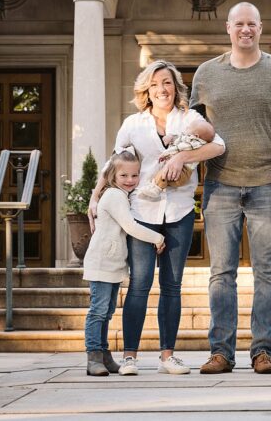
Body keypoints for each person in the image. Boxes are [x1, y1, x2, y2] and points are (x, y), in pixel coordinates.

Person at [190, 2, 271, 375]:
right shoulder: (206, 73)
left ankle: (263, 351)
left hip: (268, 184)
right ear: (228, 28)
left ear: (261, 28)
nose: (245, 29)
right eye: (239, 23)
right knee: (221, 272)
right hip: (220, 184)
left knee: (267, 273)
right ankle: (221, 352)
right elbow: (189, 129)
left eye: (252, 24)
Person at [91, 60, 225, 375]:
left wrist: (182, 156)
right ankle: (130, 357)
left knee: (172, 284)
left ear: (176, 87)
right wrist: (95, 196)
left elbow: (219, 146)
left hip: (179, 210)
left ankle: (168, 356)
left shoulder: (190, 118)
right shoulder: (133, 124)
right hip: (141, 212)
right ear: (146, 91)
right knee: (139, 284)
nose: (161, 89)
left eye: (166, 83)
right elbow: (113, 163)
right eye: (154, 84)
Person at [83, 151, 165, 377]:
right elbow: (130, 226)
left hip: (112, 264)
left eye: (135, 175)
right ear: (112, 175)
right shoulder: (113, 196)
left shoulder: (121, 195)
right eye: (124, 175)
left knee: (107, 312)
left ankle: (105, 355)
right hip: (102, 262)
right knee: (98, 311)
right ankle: (93, 357)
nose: (130, 180)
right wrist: (158, 238)